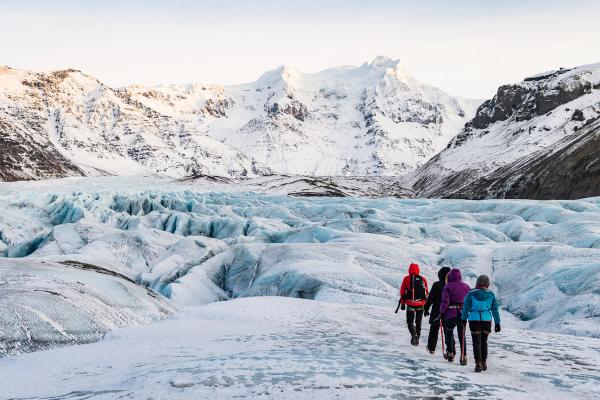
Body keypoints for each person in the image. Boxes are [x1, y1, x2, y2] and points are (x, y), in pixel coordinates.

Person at [461, 275, 501, 372]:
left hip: (474, 321)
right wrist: (497, 323)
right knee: (484, 342)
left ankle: (478, 363)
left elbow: (466, 307)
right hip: (486, 320)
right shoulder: (491, 294)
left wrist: (463, 318)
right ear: (487, 284)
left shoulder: (470, 294)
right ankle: (484, 362)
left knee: (476, 342)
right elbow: (495, 309)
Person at [440, 268, 470, 364]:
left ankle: (450, 353)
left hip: (450, 313)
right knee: (462, 335)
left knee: (449, 332)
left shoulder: (448, 286)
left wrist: (442, 313)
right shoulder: (466, 286)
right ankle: (463, 356)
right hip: (462, 313)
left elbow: (445, 301)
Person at [397, 263, 429, 346]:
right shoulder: (423, 279)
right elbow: (426, 293)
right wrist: (426, 306)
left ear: (409, 269)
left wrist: (403, 304)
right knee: (418, 322)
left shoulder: (406, 279)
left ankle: (414, 335)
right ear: (418, 269)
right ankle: (417, 338)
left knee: (410, 322)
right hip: (421, 304)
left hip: (410, 304)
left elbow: (402, 292)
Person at [423, 266, 451, 355]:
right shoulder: (451, 286)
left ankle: (431, 348)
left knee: (434, 329)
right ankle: (450, 350)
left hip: (436, 311)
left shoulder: (436, 285)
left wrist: (426, 309)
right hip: (448, 312)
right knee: (448, 331)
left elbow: (430, 299)